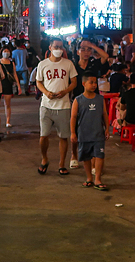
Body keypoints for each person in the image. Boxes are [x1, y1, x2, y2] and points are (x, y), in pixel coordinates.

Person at [36, 39, 77, 176]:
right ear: (50, 47)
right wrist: (46, 92)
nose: (58, 49)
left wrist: (65, 92)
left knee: (63, 137)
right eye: (56, 47)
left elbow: (74, 82)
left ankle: (61, 164)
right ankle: (44, 158)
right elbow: (38, 81)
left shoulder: (68, 64)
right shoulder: (43, 64)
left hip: (63, 106)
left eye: (60, 47)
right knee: (43, 136)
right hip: (46, 105)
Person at [71, 73, 110, 191]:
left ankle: (97, 179)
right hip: (83, 134)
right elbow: (73, 117)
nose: (94, 85)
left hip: (98, 133)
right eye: (91, 82)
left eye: (95, 83)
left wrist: (107, 128)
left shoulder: (100, 99)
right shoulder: (78, 100)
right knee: (86, 157)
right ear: (84, 84)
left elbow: (104, 114)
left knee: (99, 155)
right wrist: (73, 132)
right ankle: (89, 178)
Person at [0, 45, 21, 128]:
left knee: (7, 104)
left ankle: (8, 121)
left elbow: (15, 74)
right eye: (4, 51)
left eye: (7, 52)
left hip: (8, 84)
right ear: (1, 52)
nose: (6, 53)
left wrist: (18, 86)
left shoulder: (12, 63)